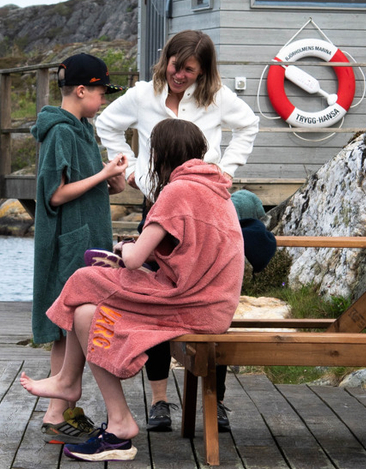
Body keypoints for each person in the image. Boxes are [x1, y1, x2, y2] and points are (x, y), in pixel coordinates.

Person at [21, 118, 245, 462]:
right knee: (85, 314)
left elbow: (135, 258)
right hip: (212, 305)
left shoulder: (177, 191)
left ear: (160, 154)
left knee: (83, 279)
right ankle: (118, 423)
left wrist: (125, 248)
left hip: (188, 303)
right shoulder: (216, 190)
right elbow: (193, 251)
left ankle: (67, 380)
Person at [95, 29, 260, 432]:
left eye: (189, 70)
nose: (180, 75)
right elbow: (106, 124)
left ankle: (215, 402)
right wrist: (132, 170)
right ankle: (159, 401)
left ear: (203, 71)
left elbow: (248, 126)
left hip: (205, 211)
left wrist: (225, 170)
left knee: (207, 297)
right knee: (151, 301)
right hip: (158, 206)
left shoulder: (217, 98)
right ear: (165, 59)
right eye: (175, 66)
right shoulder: (142, 95)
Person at [30, 53, 127, 445]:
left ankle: (62, 412)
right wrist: (102, 174)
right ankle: (56, 413)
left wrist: (112, 181)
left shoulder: (84, 129)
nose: (104, 100)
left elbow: (86, 183)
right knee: (64, 323)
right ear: (82, 90)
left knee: (75, 322)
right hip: (68, 240)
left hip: (88, 238)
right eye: (102, 93)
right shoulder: (60, 132)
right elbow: (53, 194)